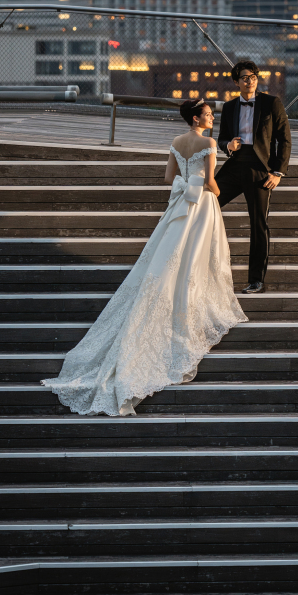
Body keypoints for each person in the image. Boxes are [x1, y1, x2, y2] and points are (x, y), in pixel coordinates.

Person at [41, 99, 247, 417]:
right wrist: (217, 193)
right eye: (207, 114)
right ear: (196, 118)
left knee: (169, 254)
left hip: (180, 204)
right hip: (202, 204)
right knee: (195, 256)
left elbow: (168, 178)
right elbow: (209, 182)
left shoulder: (177, 141)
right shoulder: (207, 143)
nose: (211, 117)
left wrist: (186, 184)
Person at [216, 58, 292, 294]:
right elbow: (221, 139)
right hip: (235, 165)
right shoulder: (229, 107)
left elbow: (284, 139)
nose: (250, 81)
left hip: (261, 169)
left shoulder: (271, 103)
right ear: (236, 82)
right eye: (245, 78)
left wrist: (277, 172)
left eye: (253, 77)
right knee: (207, 203)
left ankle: (256, 280)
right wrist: (228, 145)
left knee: (258, 224)